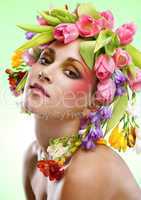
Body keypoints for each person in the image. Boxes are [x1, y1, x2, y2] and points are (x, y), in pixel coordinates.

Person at [5, 3, 141, 200]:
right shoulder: (34, 156)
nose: (45, 73)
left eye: (70, 72)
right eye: (45, 60)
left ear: (93, 103)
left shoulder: (86, 170)